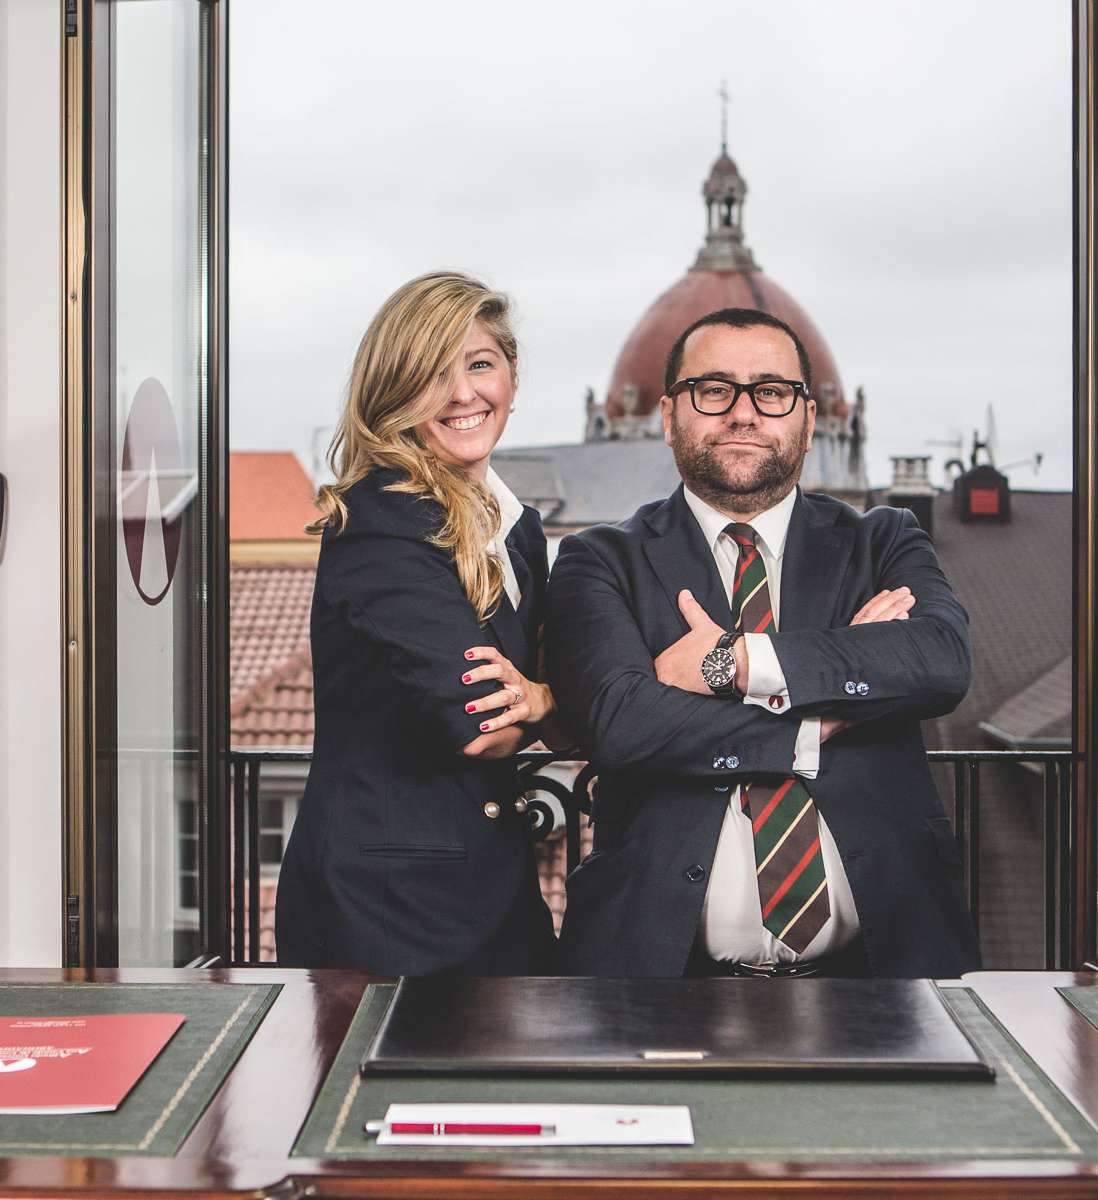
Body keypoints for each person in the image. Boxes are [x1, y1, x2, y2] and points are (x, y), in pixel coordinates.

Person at [545, 307, 980, 978]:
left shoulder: (884, 540)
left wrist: (734, 663)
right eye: (714, 390)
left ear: (808, 419)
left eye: (771, 392)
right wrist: (822, 711)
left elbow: (940, 661)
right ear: (669, 417)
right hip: (656, 972)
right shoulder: (600, 558)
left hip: (887, 965)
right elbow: (621, 723)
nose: (743, 413)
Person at [275, 271, 562, 976]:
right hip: (389, 906)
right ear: (394, 393)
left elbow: (559, 668)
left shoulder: (517, 527)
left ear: (512, 376)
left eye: (481, 364)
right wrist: (554, 699)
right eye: (433, 374)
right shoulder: (381, 521)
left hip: (492, 888)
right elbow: (487, 727)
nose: (463, 393)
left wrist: (546, 692)